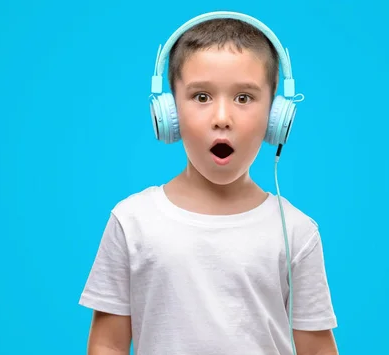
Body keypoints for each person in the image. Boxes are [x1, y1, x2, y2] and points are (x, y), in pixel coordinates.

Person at [79, 11, 338, 355]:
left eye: (244, 98)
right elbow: (107, 344)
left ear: (276, 115)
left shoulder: (296, 231)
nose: (221, 118)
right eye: (201, 97)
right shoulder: (131, 221)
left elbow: (316, 348)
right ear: (168, 111)